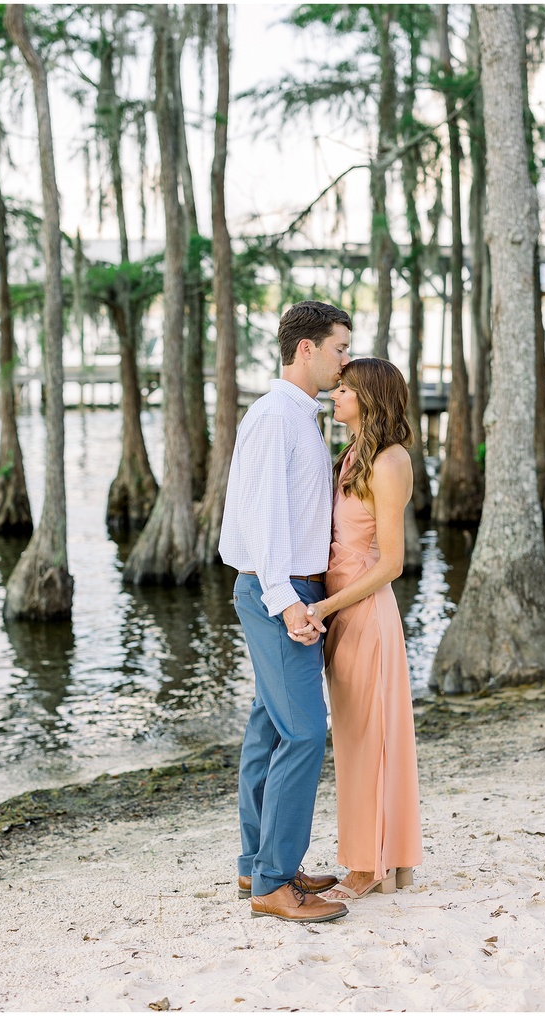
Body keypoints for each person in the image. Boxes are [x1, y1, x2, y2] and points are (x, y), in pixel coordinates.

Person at [218, 300, 352, 924]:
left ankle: (257, 862)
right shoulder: (277, 417)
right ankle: (273, 883)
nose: (345, 361)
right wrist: (288, 600)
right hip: (279, 590)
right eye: (339, 349)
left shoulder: (300, 415)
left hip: (287, 585)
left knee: (269, 727)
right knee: (304, 730)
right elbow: (263, 517)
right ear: (306, 349)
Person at [300, 358, 423, 901]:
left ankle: (367, 865)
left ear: (369, 397)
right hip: (342, 613)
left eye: (345, 389)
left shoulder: (391, 462)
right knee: (353, 739)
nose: (336, 394)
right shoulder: (352, 455)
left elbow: (390, 562)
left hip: (365, 614)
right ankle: (380, 855)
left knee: (368, 739)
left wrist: (326, 607)